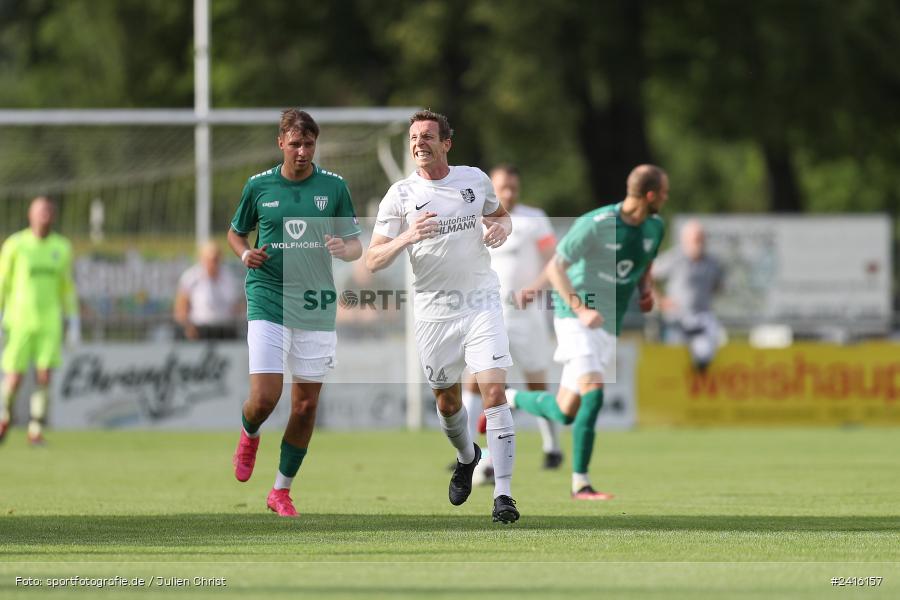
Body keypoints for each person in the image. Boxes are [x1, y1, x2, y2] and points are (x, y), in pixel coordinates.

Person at [366, 110, 520, 524]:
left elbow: (500, 217)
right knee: (448, 401)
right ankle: (467, 456)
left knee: (493, 394)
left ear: (446, 143)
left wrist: (501, 229)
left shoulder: (474, 179)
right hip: (434, 312)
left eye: (428, 136)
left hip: (480, 301)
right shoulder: (399, 194)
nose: (419, 143)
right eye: (415, 137)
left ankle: (504, 496)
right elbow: (373, 259)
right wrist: (407, 236)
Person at [227, 109, 362, 517]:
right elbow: (236, 232)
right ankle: (249, 432)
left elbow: (356, 244)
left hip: (315, 303)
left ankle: (280, 491)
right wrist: (245, 253)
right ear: (281, 143)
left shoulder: (334, 187)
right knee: (266, 397)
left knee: (305, 406)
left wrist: (345, 249)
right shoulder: (259, 186)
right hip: (267, 296)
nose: (303, 151)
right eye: (295, 144)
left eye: (309, 144)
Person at [507, 165, 668, 499]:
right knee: (593, 389)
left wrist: (646, 288)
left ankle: (506, 398)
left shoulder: (655, 227)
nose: (666, 198)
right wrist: (580, 308)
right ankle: (580, 483)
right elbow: (555, 268)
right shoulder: (596, 225)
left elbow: (645, 261)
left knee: (566, 411)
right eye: (664, 192)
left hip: (607, 324)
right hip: (574, 317)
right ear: (651, 195)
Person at [462, 164, 561, 484]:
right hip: (488, 313)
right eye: (503, 187)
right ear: (492, 187)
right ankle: (468, 453)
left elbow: (554, 262)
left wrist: (534, 288)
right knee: (475, 380)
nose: (508, 193)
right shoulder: (475, 217)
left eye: (513, 188)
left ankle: (551, 446)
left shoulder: (533, 219)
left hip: (526, 315)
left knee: (536, 381)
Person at [0, 196, 80, 445]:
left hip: (49, 322)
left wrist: (73, 320)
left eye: (49, 211)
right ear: (30, 215)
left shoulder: (62, 247)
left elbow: (66, 287)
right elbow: (3, 282)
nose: (45, 215)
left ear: (54, 216)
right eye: (40, 210)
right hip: (20, 320)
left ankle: (35, 430)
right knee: (14, 377)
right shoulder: (16, 245)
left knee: (44, 375)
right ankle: (4, 416)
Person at [652, 220, 724, 372]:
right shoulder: (675, 258)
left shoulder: (712, 262)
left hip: (701, 318)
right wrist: (660, 300)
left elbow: (718, 285)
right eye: (696, 239)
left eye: (701, 238)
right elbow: (648, 276)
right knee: (673, 361)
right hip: (677, 319)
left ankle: (699, 381)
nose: (699, 243)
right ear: (685, 240)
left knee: (705, 355)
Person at [174, 241, 244, 340]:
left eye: (216, 259)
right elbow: (181, 308)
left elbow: (237, 304)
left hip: (226, 329)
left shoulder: (229, 276)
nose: (213, 263)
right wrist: (188, 327)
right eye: (210, 259)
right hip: (199, 329)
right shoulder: (190, 277)